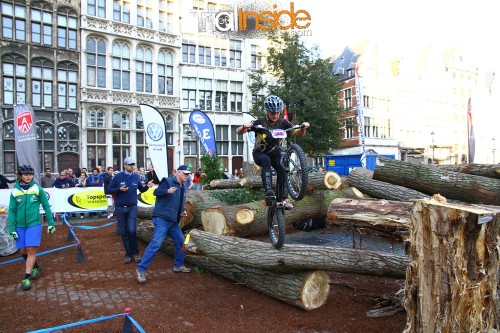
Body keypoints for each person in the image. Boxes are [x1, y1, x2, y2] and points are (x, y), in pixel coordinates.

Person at [236, 95, 310, 210]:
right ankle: (269, 193)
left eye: (277, 113)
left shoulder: (283, 122)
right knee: (266, 161)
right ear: (267, 111)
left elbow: (298, 134)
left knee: (282, 165)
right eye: (272, 113)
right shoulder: (259, 122)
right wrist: (244, 127)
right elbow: (239, 132)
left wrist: (303, 128)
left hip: (275, 153)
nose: (275, 115)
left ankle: (284, 198)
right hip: (260, 153)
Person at [136, 165, 192, 284]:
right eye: (185, 174)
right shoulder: (168, 181)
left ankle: (178, 265)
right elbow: (156, 192)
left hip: (173, 221)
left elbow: (180, 201)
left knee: (181, 242)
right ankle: (140, 269)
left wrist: (183, 210)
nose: (186, 176)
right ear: (178, 172)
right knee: (156, 243)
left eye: (188, 174)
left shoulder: (183, 187)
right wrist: (167, 191)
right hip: (162, 219)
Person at [8, 165, 56, 291]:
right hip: (19, 226)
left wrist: (51, 223)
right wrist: (11, 229)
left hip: (34, 224)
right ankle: (35, 267)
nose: (28, 177)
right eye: (25, 174)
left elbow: (46, 206)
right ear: (20, 176)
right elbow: (12, 211)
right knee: (23, 251)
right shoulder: (14, 192)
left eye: (30, 174)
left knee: (31, 250)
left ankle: (26, 278)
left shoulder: (37, 189)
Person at [107, 157, 153, 264]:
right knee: (124, 232)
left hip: (132, 207)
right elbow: (108, 190)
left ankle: (135, 253)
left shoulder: (136, 177)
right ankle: (128, 254)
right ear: (125, 165)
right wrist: (119, 189)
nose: (133, 166)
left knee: (132, 230)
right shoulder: (118, 177)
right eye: (130, 164)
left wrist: (147, 186)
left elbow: (141, 189)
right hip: (120, 208)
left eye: (133, 164)